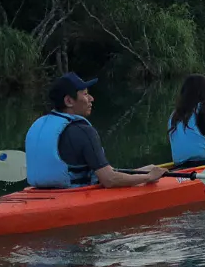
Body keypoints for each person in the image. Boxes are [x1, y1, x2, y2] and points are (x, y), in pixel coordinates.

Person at [25, 72, 167, 189]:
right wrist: (149, 177)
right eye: (85, 94)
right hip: (75, 198)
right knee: (147, 172)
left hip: (38, 195)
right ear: (69, 101)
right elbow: (109, 180)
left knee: (149, 167)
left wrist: (143, 172)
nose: (91, 99)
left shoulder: (37, 125)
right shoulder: (83, 131)